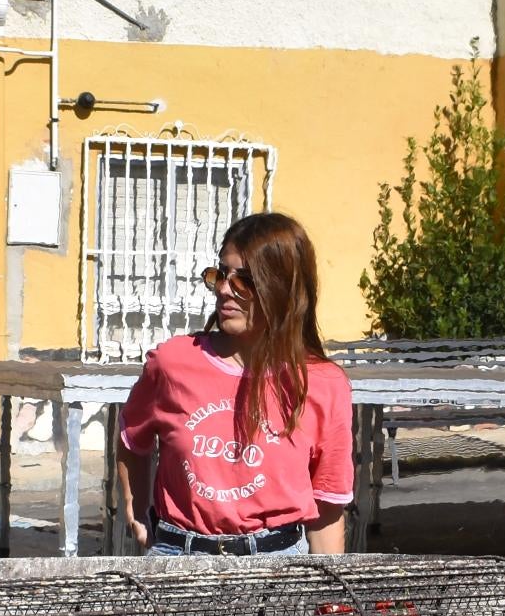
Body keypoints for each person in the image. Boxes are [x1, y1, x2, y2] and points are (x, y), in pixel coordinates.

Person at [119, 212, 354, 556]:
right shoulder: (172, 363)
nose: (224, 289)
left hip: (278, 565)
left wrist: (327, 585)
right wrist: (137, 512)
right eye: (221, 274)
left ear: (283, 288)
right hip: (178, 558)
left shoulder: (321, 383)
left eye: (244, 279)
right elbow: (132, 437)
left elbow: (328, 506)